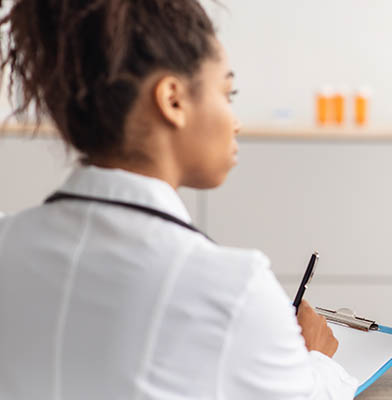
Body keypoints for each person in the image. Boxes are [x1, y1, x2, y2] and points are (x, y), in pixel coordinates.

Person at [0, 1, 356, 398]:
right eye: (228, 93)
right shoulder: (231, 289)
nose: (235, 121)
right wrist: (316, 360)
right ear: (172, 99)